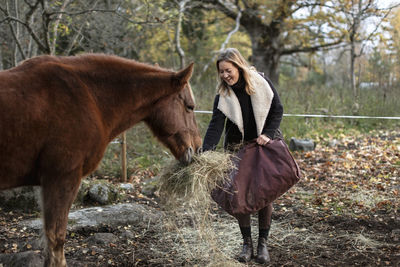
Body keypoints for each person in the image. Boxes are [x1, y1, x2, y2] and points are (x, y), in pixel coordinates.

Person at [202, 48, 283, 263]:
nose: (225, 76)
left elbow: (278, 109)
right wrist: (206, 152)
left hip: (263, 144)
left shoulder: (261, 83)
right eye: (221, 72)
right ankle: (246, 244)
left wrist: (267, 134)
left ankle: (262, 245)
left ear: (238, 66)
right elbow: (215, 125)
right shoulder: (223, 95)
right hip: (237, 147)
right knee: (240, 195)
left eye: (228, 70)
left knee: (264, 194)